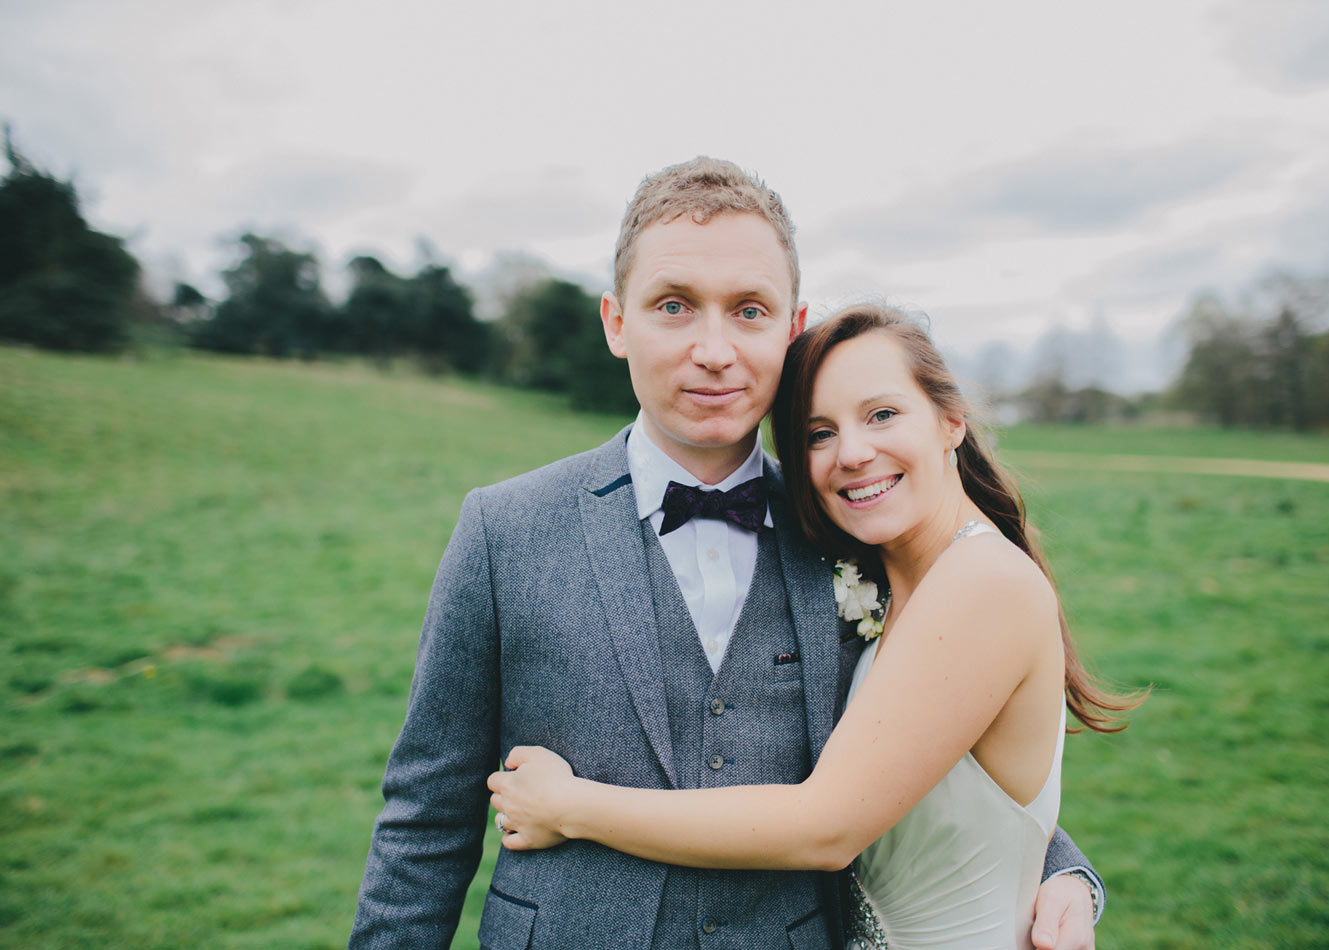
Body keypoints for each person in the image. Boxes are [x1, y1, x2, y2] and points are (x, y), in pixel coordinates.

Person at [348, 158, 1105, 949]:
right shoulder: (505, 532)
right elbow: (424, 819)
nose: (714, 349)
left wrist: (1060, 869)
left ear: (790, 326)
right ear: (616, 322)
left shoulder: (856, 528)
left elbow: (935, 749)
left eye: (749, 311)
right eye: (674, 306)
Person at [487, 303, 1139, 949]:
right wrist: (1068, 872)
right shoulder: (877, 577)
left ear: (950, 422)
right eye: (818, 433)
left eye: (882, 414)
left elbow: (827, 826)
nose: (853, 452)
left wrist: (569, 807)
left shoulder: (984, 582)